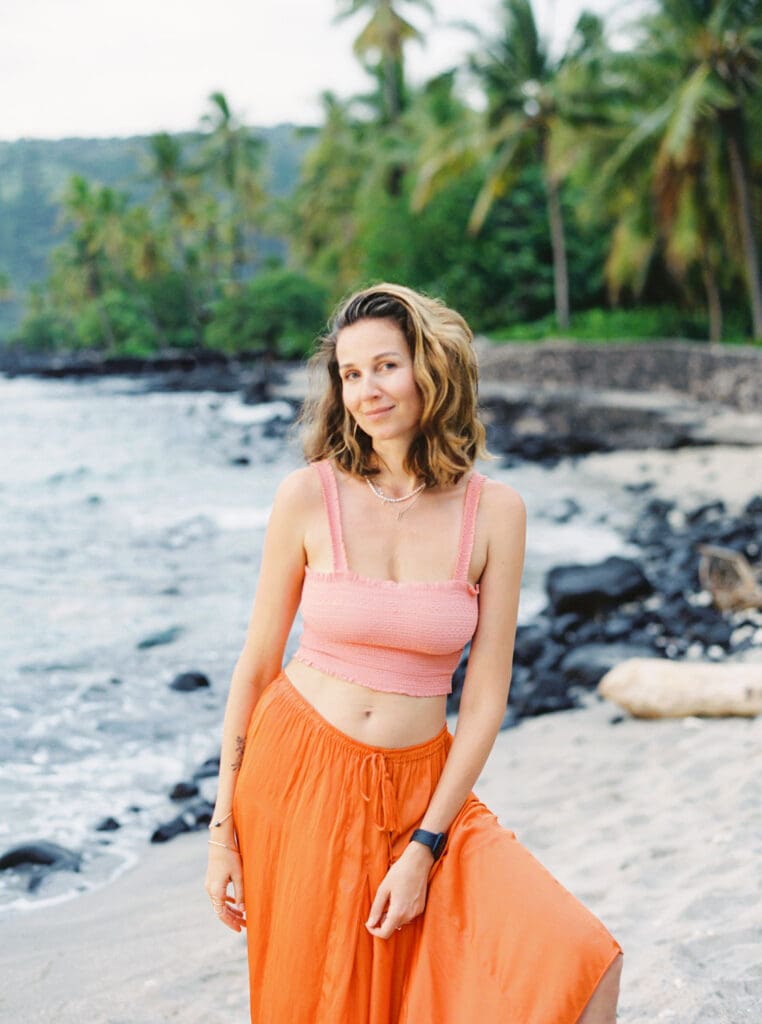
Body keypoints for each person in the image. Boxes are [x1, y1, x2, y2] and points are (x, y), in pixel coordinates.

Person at [205, 283, 623, 1023]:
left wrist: (426, 842)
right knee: (323, 1006)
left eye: (386, 366)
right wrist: (221, 832)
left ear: (430, 369)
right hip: (297, 775)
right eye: (351, 373)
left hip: (424, 789)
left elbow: (486, 696)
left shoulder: (495, 512)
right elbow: (258, 663)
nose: (368, 389)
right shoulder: (306, 496)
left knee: (575, 959)